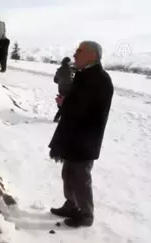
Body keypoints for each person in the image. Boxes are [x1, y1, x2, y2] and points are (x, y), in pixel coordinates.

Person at [48, 41, 114, 228]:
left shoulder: (100, 79)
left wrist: (65, 104)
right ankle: (71, 205)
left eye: (79, 51)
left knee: (80, 177)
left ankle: (86, 215)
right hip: (74, 135)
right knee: (68, 173)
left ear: (92, 55)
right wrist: (66, 101)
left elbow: (88, 109)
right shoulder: (84, 75)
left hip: (86, 138)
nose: (75, 55)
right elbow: (78, 101)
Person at [53, 57, 74, 122]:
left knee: (63, 104)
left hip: (61, 89)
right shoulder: (69, 70)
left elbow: (55, 80)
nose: (70, 63)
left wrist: (60, 82)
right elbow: (70, 81)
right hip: (67, 89)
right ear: (67, 62)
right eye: (69, 62)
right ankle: (58, 118)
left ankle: (59, 117)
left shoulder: (59, 69)